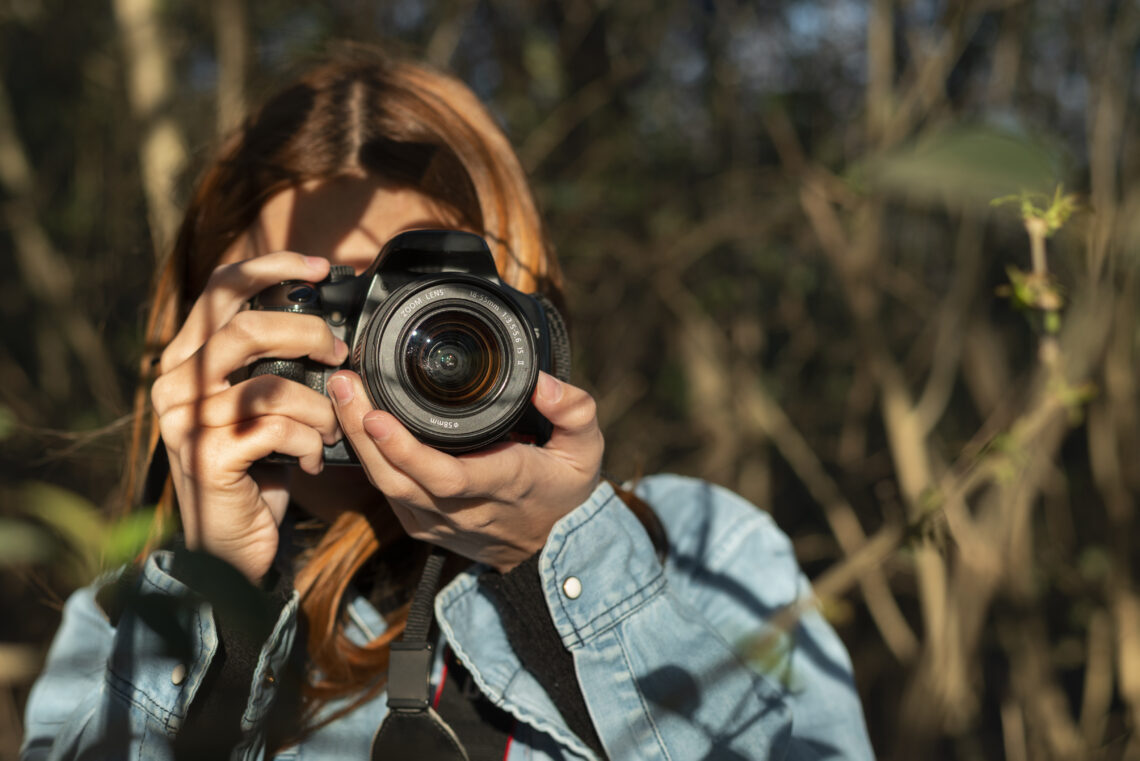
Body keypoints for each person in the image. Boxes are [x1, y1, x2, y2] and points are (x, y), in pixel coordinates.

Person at [21, 47, 874, 761]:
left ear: (520, 315)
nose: (384, 349)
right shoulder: (117, 626)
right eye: (330, 307)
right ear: (206, 332)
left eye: (424, 302)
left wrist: (557, 568)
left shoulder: (701, 552)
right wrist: (213, 598)